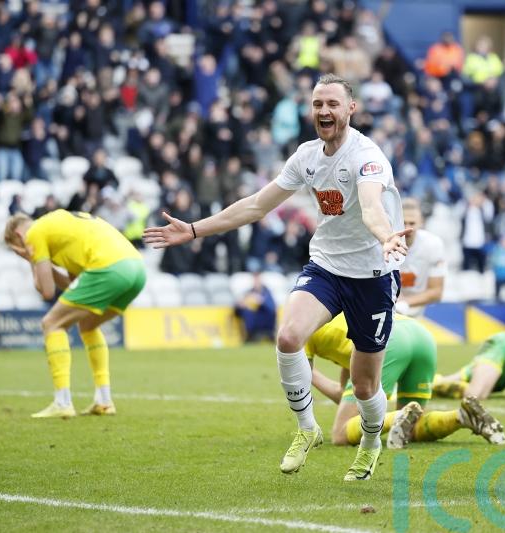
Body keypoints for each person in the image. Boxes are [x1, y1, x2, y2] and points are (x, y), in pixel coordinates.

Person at [144, 74, 410, 481]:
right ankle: (307, 429)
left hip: (373, 273)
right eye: (318, 103)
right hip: (326, 266)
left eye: (333, 104)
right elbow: (255, 206)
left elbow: (373, 207)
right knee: (288, 338)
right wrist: (194, 229)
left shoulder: (367, 157)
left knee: (364, 384)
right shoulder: (305, 156)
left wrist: (386, 235)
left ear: (351, 109)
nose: (324, 111)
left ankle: (371, 441)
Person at [4, 210, 146, 418]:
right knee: (88, 325)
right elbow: (73, 286)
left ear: (18, 235)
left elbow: (47, 291)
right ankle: (104, 400)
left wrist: (31, 259)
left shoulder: (35, 233)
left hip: (108, 267)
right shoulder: (59, 226)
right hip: (136, 269)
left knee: (51, 323)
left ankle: (62, 402)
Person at [308, 313, 505, 450]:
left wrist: (309, 374)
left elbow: (299, 376)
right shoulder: (340, 312)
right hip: (420, 335)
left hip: (387, 341)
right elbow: (345, 393)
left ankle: (399, 415)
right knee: (410, 428)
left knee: (340, 434)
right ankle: (461, 416)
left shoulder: (300, 329)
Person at [395, 198, 446, 317]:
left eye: (412, 223)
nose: (407, 228)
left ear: (421, 222)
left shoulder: (433, 245)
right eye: (403, 223)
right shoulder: (384, 243)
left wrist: (404, 303)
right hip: (386, 307)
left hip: (417, 313)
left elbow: (436, 292)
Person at [234, 272, 277, 342]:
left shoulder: (267, 293)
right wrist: (240, 305)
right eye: (255, 280)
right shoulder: (249, 292)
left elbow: (272, 308)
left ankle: (253, 334)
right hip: (252, 321)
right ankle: (249, 334)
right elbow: (237, 310)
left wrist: (261, 301)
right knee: (246, 312)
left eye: (258, 280)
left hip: (265, 321)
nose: (256, 282)